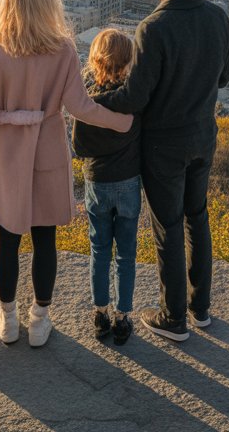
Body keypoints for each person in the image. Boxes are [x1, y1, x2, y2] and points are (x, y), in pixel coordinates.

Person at [0, 0, 133, 348]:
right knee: (44, 239)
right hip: (47, 151)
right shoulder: (63, 49)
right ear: (47, 4)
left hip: (6, 156)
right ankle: (39, 320)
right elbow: (81, 107)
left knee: (6, 241)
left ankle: (7, 318)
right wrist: (124, 121)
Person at [100, 0, 229, 342]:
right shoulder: (218, 17)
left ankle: (173, 317)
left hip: (163, 147)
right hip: (203, 137)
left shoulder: (152, 28)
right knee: (198, 217)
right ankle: (201, 308)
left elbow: (135, 98)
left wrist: (93, 101)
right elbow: (223, 78)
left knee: (168, 227)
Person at [71, 28, 141, 346]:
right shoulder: (133, 97)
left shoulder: (85, 98)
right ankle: (122, 316)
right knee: (125, 254)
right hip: (127, 181)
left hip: (97, 181)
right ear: (128, 62)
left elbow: (80, 146)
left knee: (99, 251)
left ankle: (100, 312)